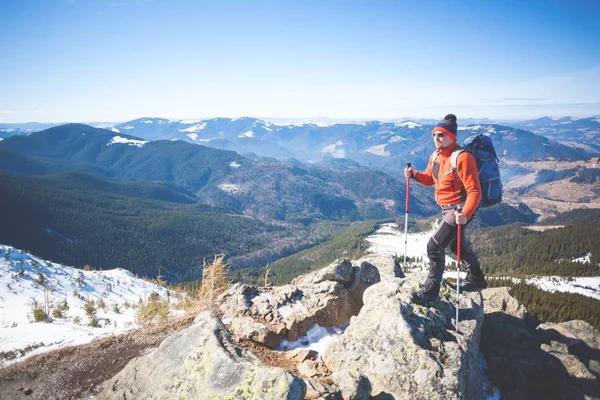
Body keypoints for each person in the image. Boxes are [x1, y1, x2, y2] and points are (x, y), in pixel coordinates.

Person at [405, 114, 487, 305]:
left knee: (434, 246)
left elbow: (475, 191)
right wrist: (414, 174)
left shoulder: (462, 157)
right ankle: (477, 278)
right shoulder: (435, 156)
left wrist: (465, 215)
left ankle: (431, 291)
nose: (436, 138)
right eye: (434, 134)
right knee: (456, 245)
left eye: (441, 134)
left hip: (458, 209)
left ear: (452, 136)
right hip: (446, 208)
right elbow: (429, 179)